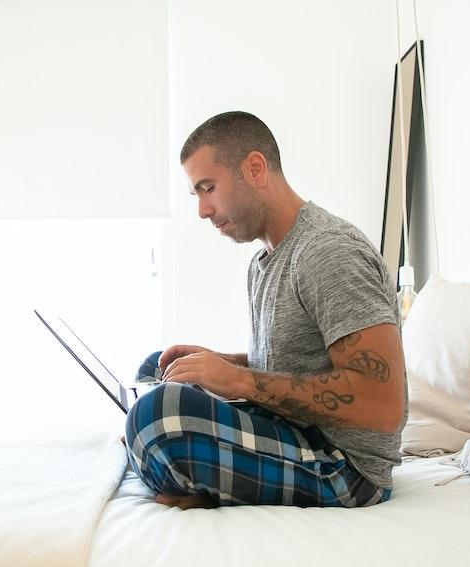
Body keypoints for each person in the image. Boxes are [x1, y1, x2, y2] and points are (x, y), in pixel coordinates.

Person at [124, 111, 407, 509]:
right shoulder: (264, 263)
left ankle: (153, 455)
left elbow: (384, 406)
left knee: (158, 414)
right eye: (197, 194)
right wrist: (221, 364)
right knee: (157, 368)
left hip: (342, 466)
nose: (203, 210)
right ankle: (161, 457)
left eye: (208, 188)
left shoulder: (328, 252)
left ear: (254, 168)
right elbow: (294, 362)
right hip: (289, 428)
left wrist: (239, 382)